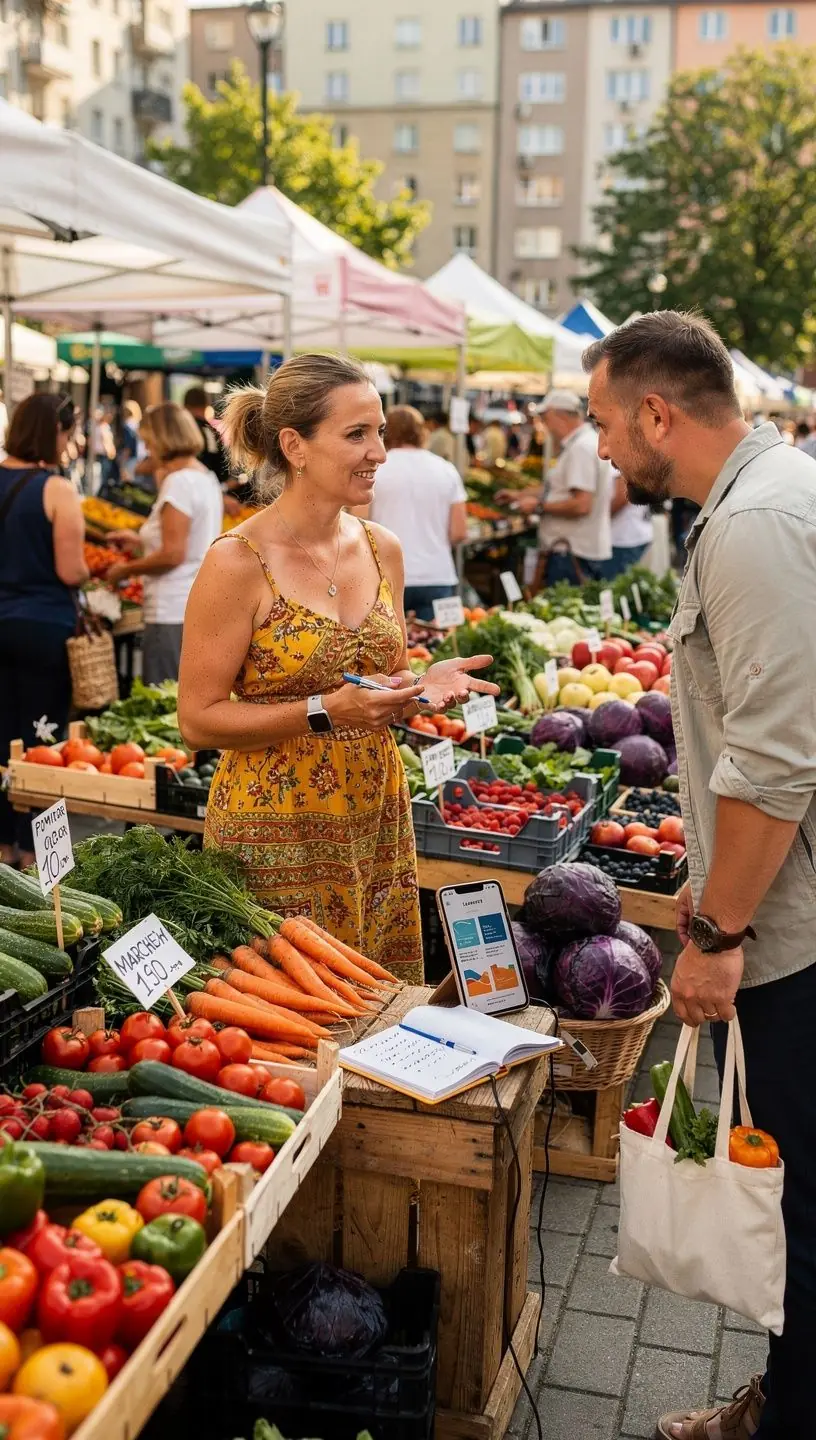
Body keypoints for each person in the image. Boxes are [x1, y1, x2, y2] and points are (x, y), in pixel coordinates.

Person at [583, 309, 816, 1440]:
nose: (602, 450)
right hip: (783, 901)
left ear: (657, 413)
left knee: (797, 1197)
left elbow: (775, 765)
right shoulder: (767, 495)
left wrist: (717, 938)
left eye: (603, 424)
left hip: (793, 929)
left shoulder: (756, 524)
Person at [176, 354, 497, 982]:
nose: (379, 451)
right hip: (274, 825)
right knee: (291, 1014)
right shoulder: (237, 561)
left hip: (374, 812)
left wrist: (418, 688)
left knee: (376, 1005)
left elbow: (380, 683)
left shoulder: (384, 549)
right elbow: (197, 720)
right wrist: (324, 712)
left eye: (379, 431)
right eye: (357, 435)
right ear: (295, 446)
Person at [0, 394, 88, 867]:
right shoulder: (55, 489)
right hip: (42, 629)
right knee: (42, 740)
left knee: (1, 733)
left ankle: (1, 849)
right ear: (54, 432)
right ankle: (36, 855)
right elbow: (71, 570)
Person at [105, 402, 223, 684]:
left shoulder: (179, 483)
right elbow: (190, 540)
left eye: (148, 441)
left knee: (163, 693)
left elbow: (173, 554)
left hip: (170, 608)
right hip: (193, 603)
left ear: (162, 439)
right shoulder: (204, 478)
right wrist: (139, 540)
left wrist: (125, 570)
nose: (147, 449)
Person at [498, 390, 613, 586]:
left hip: (571, 554)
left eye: (546, 418)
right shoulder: (581, 444)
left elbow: (581, 505)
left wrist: (538, 506)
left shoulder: (581, 449)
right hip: (574, 552)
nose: (545, 425)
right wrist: (520, 495)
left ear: (560, 416)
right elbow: (561, 488)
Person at [364, 405, 467, 621]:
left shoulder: (373, 470)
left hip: (386, 577)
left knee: (389, 652)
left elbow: (358, 524)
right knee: (441, 647)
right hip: (438, 575)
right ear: (421, 432)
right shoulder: (446, 469)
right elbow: (459, 532)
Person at [607, 471, 653, 576]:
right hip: (631, 534)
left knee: (615, 587)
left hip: (624, 538)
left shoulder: (616, 461)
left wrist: (600, 521)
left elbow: (622, 497)